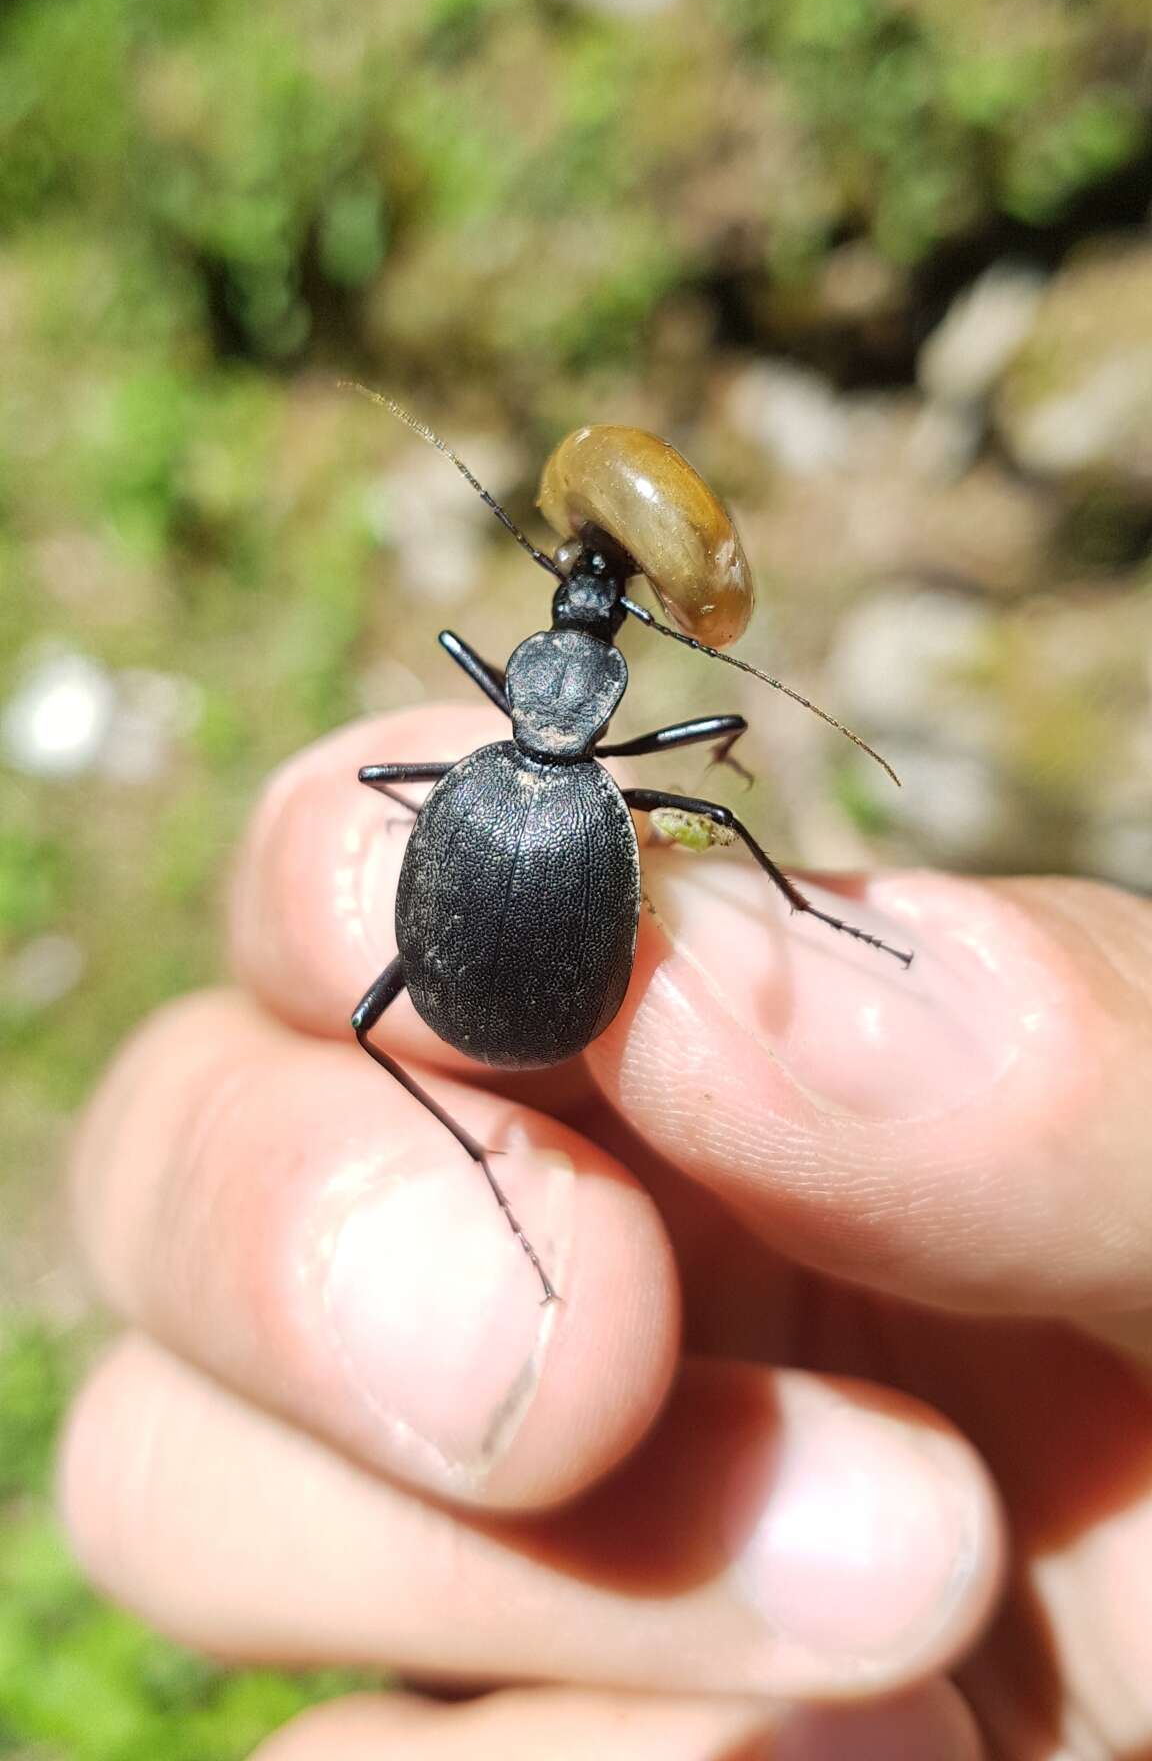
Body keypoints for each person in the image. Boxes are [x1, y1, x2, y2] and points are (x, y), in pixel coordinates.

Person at [60, 704, 1152, 1759]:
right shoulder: (582, 781)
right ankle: (503, 1155)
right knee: (649, 854)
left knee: (367, 1017)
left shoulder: (483, 770)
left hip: (499, 970)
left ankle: (492, 1162)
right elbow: (704, 805)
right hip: (545, 979)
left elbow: (381, 795)